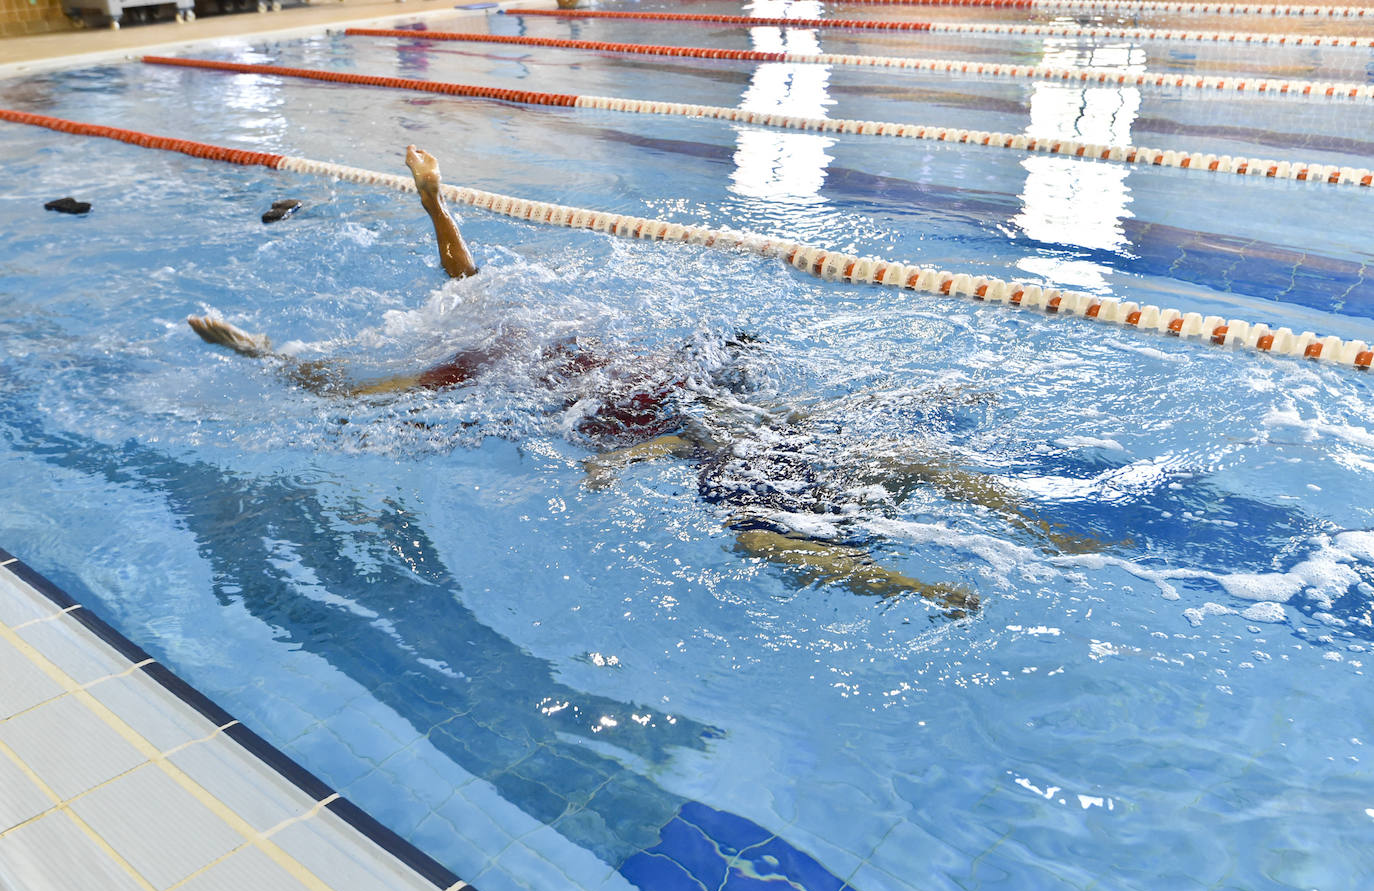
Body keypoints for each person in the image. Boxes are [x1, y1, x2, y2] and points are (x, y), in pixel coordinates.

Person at [190, 146, 1099, 613]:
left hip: (699, 422)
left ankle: (1022, 541)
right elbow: (368, 378)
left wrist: (434, 201)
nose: (470, 297)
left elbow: (446, 292)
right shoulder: (471, 365)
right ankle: (957, 570)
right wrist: (261, 354)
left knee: (826, 488)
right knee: (811, 496)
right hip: (692, 427)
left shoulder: (492, 350)